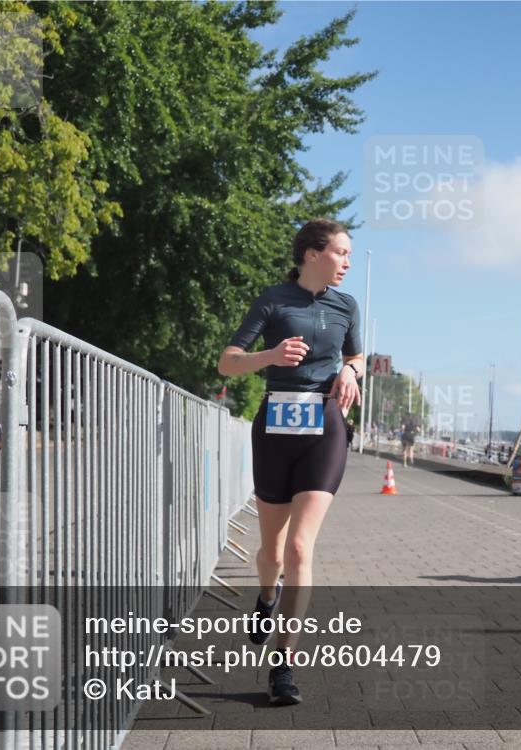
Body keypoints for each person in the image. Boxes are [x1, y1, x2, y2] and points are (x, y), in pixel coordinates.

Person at [217, 219, 363, 705]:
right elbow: (228, 361)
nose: (347, 262)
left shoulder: (347, 306)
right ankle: (265, 597)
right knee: (272, 553)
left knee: (301, 547)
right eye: (341, 253)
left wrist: (349, 368)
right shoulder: (274, 299)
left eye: (348, 254)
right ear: (312, 254)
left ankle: (283, 666)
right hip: (276, 428)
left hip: (326, 427)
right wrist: (272, 355)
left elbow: (359, 356)